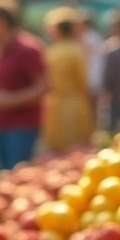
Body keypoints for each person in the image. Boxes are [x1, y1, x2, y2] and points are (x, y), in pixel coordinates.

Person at [0, 0, 47, 170]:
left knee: (19, 177)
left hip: (22, 127)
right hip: (0, 124)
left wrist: (7, 100)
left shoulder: (28, 48)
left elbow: (44, 87)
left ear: (0, 22)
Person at [41, 8, 93, 152]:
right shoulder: (76, 51)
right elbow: (82, 81)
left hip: (56, 104)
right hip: (75, 104)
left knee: (58, 150)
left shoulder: (51, 52)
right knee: (76, 150)